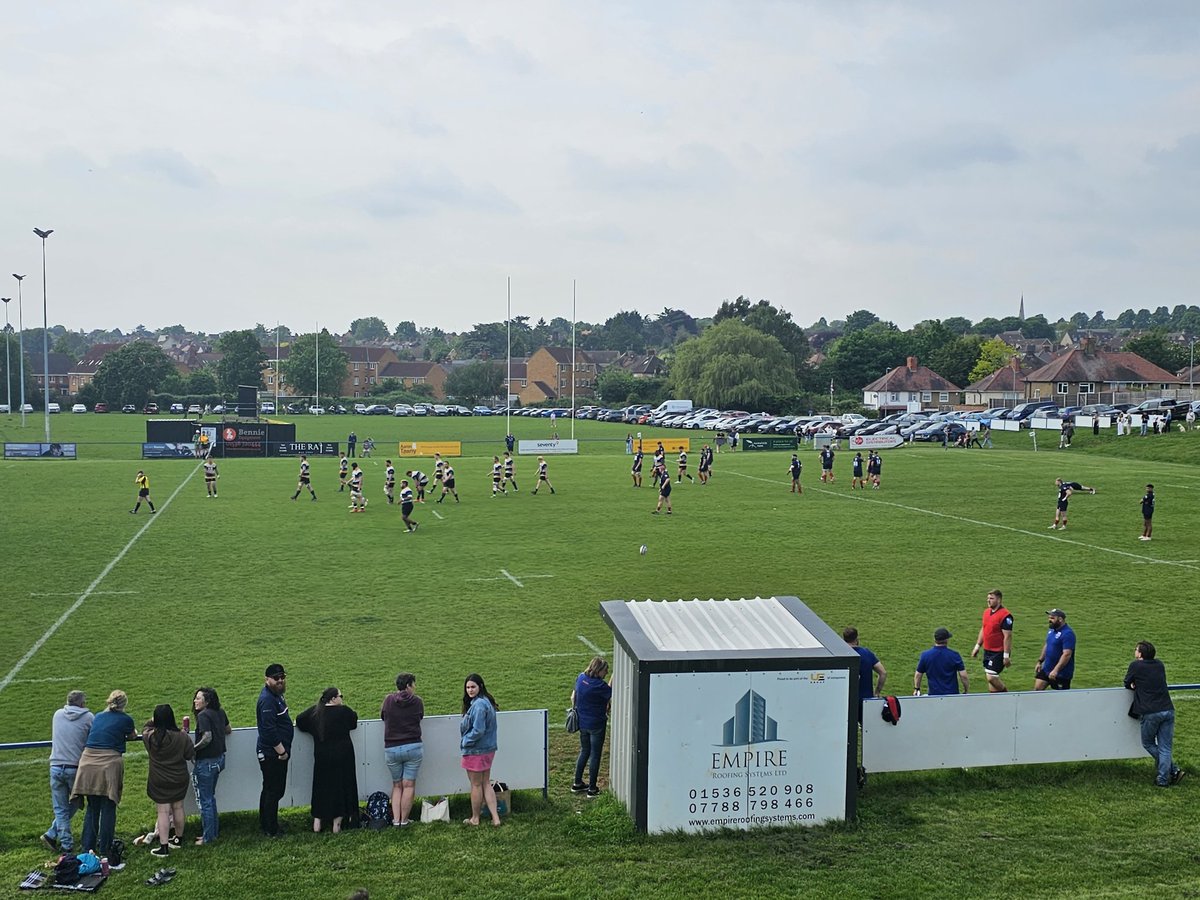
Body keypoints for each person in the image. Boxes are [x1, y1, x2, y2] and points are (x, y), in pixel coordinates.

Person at [72, 689, 139, 857]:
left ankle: (87, 849)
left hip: (87, 764)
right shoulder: (126, 719)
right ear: (124, 704)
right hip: (109, 764)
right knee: (108, 808)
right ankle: (105, 849)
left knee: (92, 808)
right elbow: (132, 736)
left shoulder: (98, 716)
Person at [296, 687, 359, 833]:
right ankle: (337, 824)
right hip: (344, 755)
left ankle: (317, 822)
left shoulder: (316, 712)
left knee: (321, 786)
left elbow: (300, 721)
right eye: (340, 696)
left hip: (322, 755)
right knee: (342, 786)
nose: (342, 699)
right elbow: (353, 722)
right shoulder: (344, 711)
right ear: (333, 699)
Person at [1124, 641, 1184, 787]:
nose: (1135, 651)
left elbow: (1127, 682)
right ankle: (1164, 778)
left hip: (1150, 711)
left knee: (1149, 743)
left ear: (1140, 653)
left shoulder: (1135, 665)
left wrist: (1134, 685)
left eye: (1136, 649)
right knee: (1165, 747)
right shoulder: (1159, 664)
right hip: (1168, 708)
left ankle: (1172, 771)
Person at [142, 704, 195, 858]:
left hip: (159, 779)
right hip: (179, 777)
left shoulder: (151, 737)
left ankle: (164, 846)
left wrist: (152, 720)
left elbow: (145, 728)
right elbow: (189, 754)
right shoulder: (182, 736)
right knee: (178, 808)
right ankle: (178, 839)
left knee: (163, 811)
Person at [43, 690, 93, 853]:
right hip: (74, 767)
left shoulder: (57, 715)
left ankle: (53, 835)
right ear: (81, 703)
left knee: (61, 807)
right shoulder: (88, 717)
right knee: (75, 802)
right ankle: (66, 844)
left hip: (56, 766)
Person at [381, 673, 424, 827]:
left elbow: (383, 717)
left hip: (391, 748)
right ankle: (404, 820)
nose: (414, 688)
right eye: (413, 685)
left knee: (397, 785)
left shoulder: (388, 700)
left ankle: (396, 819)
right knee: (409, 785)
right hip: (413, 746)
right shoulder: (417, 701)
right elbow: (420, 717)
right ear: (408, 686)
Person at [256, 663, 293, 838]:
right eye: (276, 678)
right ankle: (271, 828)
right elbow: (268, 730)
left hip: (274, 752)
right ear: (267, 679)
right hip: (273, 754)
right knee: (274, 790)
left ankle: (267, 822)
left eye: (282, 677)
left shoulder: (276, 695)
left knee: (271, 789)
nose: (280, 680)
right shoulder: (268, 700)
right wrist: (282, 752)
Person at [460, 674, 501, 826]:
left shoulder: (477, 705)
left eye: (473, 687)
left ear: (480, 687)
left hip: (476, 750)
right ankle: (495, 818)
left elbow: (478, 730)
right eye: (468, 687)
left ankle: (475, 818)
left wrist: (465, 741)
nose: (470, 690)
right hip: (489, 749)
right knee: (486, 783)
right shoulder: (487, 702)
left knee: (476, 785)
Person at [191, 687, 231, 845]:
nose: (195, 700)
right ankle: (212, 833)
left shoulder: (203, 716)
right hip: (219, 760)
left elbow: (207, 738)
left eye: (198, 698)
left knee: (206, 800)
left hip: (206, 762)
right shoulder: (220, 712)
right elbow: (228, 730)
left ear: (207, 702)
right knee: (210, 798)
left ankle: (208, 837)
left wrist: (192, 749)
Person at [570, 657, 612, 798]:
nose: (606, 673)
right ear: (599, 670)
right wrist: (613, 678)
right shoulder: (599, 686)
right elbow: (610, 693)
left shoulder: (581, 678)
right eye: (605, 671)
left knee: (585, 751)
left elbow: (574, 695)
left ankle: (577, 783)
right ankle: (592, 789)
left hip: (583, 723)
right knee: (595, 755)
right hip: (596, 724)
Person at [972, 589, 1013, 692]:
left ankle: (1008, 696)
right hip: (987, 650)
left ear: (999, 600)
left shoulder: (1005, 615)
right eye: (988, 598)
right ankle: (996, 701)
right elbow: (984, 628)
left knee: (991, 677)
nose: (988, 601)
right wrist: (977, 646)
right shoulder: (986, 612)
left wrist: (1006, 656)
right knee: (992, 684)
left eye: (991, 598)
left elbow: (1007, 636)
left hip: (998, 652)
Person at [843, 628, 886, 720]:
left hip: (844, 700)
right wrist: (877, 692)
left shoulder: (839, 654)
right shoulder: (866, 653)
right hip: (865, 700)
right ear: (856, 639)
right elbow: (883, 673)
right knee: (866, 728)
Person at [914, 628, 969, 696]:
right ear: (947, 640)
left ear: (935, 640)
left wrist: (917, 689)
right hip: (952, 695)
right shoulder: (954, 655)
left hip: (934, 695)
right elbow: (963, 676)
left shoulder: (925, 655)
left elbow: (918, 675)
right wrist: (966, 690)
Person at [1034, 609, 1076, 690]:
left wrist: (1056, 670)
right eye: (1049, 618)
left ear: (1060, 619)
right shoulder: (1052, 630)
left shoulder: (1068, 634)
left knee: (1061, 698)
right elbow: (1047, 645)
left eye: (1052, 618)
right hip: (1047, 669)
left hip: (1061, 673)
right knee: (1037, 691)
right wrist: (1040, 661)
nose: (1049, 620)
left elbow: (1067, 654)